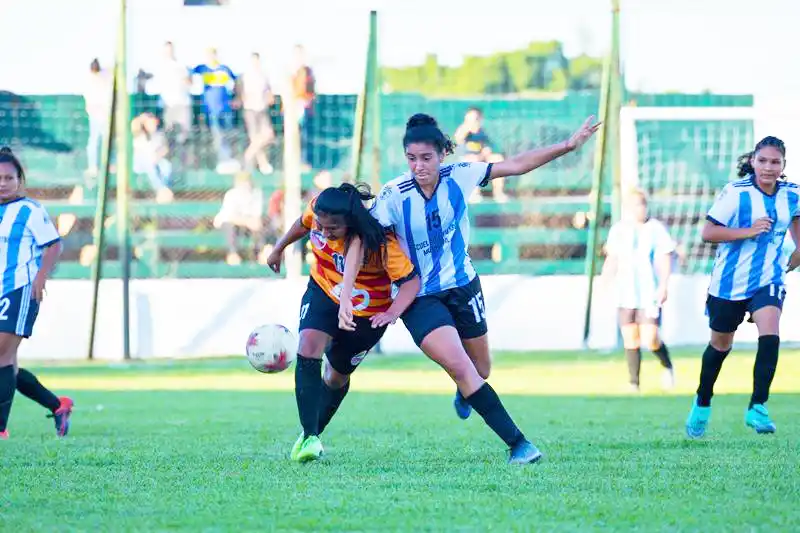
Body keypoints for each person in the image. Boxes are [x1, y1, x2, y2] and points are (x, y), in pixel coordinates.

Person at [340, 113, 599, 464]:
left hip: (463, 285)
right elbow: (359, 239)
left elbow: (518, 165)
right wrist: (346, 291)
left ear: (441, 155)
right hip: (420, 296)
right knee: (462, 367)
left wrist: (569, 145)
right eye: (412, 159)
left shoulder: (460, 174)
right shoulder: (393, 195)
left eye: (426, 158)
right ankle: (519, 445)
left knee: (481, 370)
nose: (419, 166)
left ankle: (467, 393)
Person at [266, 183, 420, 462]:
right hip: (323, 290)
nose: (324, 232)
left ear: (350, 222)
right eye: (321, 227)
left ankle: (311, 434)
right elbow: (303, 224)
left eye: (333, 229)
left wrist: (392, 312)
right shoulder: (320, 209)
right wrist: (278, 248)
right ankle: (310, 436)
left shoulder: (380, 242)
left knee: (335, 378)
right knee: (308, 346)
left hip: (367, 314)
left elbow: (411, 282)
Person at [686, 136, 799, 438]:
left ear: (783, 165)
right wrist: (748, 231)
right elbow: (708, 232)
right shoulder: (735, 193)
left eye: (775, 162)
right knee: (720, 346)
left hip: (768, 278)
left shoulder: (792, 194)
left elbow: (798, 231)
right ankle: (702, 401)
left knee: (771, 332)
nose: (768, 167)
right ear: (753, 161)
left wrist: (795, 255)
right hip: (728, 282)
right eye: (763, 161)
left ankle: (758, 406)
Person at [0, 147, 74, 440]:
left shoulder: (30, 210)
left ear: (19, 180)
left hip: (19, 290)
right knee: (9, 366)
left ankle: (0, 428)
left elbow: (53, 244)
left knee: (2, 357)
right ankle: (58, 406)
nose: (3, 182)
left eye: (9, 177)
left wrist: (40, 278)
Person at [602, 188, 676, 392]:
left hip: (648, 293)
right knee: (630, 336)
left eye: (642, 204)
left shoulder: (655, 229)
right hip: (625, 292)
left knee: (651, 336)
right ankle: (634, 383)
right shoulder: (618, 230)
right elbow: (612, 258)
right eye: (635, 205)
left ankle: (668, 366)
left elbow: (664, 257)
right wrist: (605, 281)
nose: (639, 209)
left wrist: (664, 285)